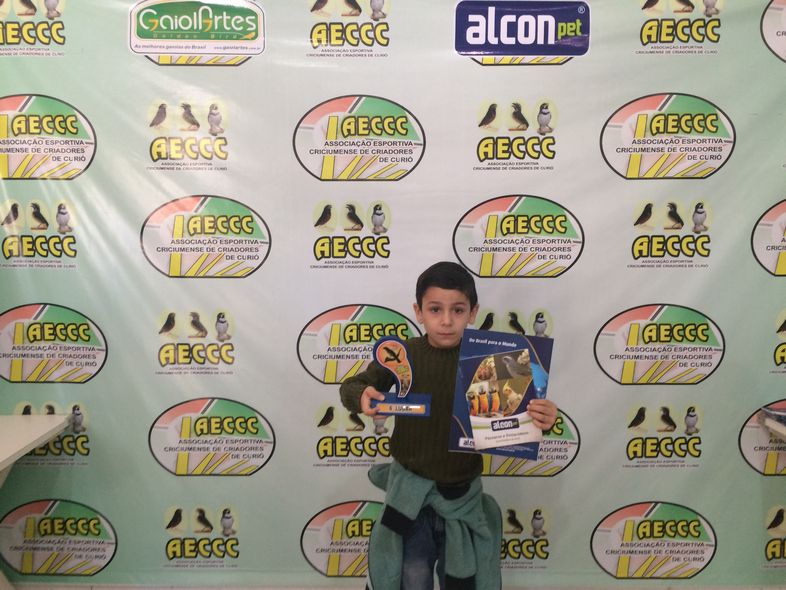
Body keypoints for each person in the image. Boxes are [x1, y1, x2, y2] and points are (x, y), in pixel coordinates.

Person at [340, 261, 558, 590]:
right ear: (418, 311)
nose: (446, 320)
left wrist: (544, 418)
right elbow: (353, 386)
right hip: (411, 498)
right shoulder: (404, 355)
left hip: (463, 497)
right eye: (435, 309)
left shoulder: (490, 360)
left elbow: (523, 417)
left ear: (473, 312)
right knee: (411, 576)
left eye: (457, 310)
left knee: (461, 578)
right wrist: (361, 395)